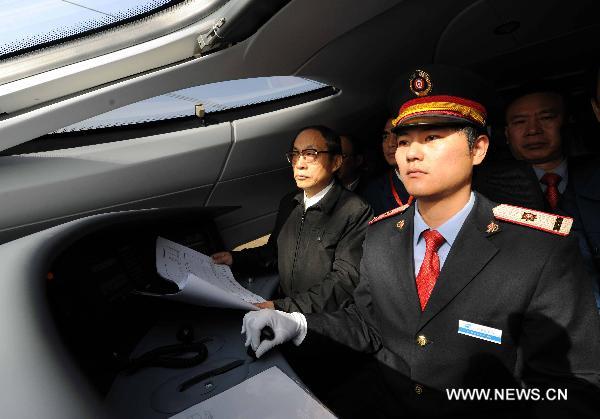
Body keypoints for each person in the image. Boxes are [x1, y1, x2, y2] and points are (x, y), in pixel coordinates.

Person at [241, 66, 600, 418]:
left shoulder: (540, 249)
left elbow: (570, 385)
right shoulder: (381, 235)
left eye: (432, 138)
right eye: (403, 141)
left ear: (478, 150)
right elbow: (367, 324)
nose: (412, 153)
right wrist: (298, 324)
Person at [211, 125, 372, 314]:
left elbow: (344, 282)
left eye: (311, 154)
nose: (300, 164)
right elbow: (274, 252)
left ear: (336, 162)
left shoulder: (355, 211)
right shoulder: (290, 202)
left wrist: (283, 307)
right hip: (286, 313)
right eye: (295, 154)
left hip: (325, 323)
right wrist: (234, 258)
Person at [504, 86, 600, 311]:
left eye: (546, 118)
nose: (533, 130)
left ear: (567, 123)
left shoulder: (594, 176)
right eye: (519, 122)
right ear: (507, 135)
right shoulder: (488, 194)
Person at [362, 118, 413, 216]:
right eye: (385, 136)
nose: (390, 144)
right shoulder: (373, 191)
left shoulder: (435, 181)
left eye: (398, 135)